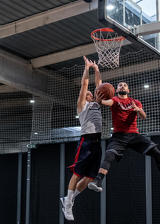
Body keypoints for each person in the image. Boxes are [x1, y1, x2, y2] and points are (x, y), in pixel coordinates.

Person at [88, 82, 160, 194]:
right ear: (116, 90)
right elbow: (106, 102)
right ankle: (98, 181)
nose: (122, 86)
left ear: (128, 90)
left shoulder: (135, 102)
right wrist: (99, 101)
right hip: (118, 136)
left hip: (134, 135)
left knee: (157, 153)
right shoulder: (115, 100)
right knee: (109, 154)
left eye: (125, 85)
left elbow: (143, 117)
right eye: (120, 85)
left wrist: (139, 110)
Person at [60, 57, 103, 221]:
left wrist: (97, 70)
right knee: (77, 174)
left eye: (91, 94)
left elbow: (100, 86)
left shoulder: (97, 104)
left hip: (98, 142)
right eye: (87, 94)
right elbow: (85, 85)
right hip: (86, 141)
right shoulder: (81, 106)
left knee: (90, 178)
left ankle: (68, 199)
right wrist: (87, 68)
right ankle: (69, 205)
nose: (89, 94)